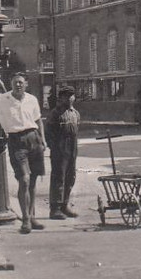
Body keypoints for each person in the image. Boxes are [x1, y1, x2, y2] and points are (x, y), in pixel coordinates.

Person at [0, 72, 46, 234]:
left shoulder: (32, 100)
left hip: (34, 139)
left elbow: (38, 120)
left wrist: (43, 140)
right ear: (11, 84)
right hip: (16, 141)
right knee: (24, 180)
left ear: (26, 84)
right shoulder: (2, 99)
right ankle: (25, 219)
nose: (18, 85)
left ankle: (32, 216)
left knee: (33, 179)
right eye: (15, 82)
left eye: (21, 82)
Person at [44, 84, 80, 220]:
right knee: (59, 177)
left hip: (72, 147)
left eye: (72, 96)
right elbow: (48, 132)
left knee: (71, 177)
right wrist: (54, 147)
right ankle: (55, 208)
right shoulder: (55, 113)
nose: (70, 99)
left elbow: (76, 130)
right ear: (62, 98)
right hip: (60, 147)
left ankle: (65, 205)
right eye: (67, 96)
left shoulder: (75, 113)